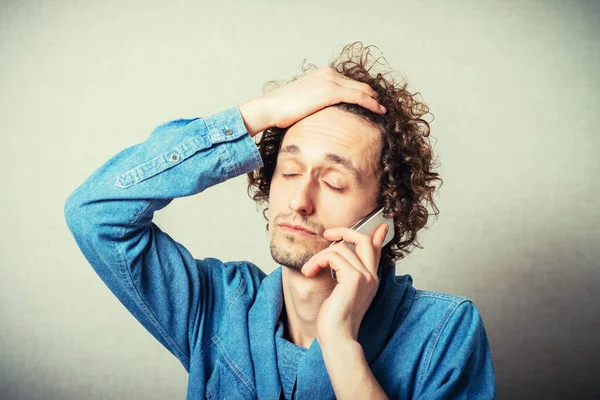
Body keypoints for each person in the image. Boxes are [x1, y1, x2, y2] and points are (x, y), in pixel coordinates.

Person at [64, 42, 496, 399]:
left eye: (333, 181)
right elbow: (95, 212)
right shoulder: (215, 307)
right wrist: (258, 113)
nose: (299, 200)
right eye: (288, 173)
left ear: (387, 213)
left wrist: (341, 346)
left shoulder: (444, 331)